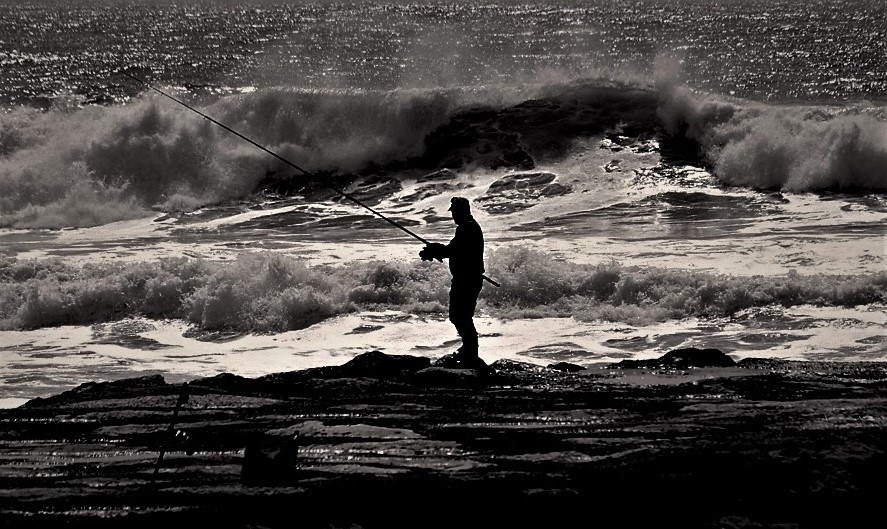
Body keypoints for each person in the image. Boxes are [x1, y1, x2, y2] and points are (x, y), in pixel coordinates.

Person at [419, 197, 485, 364]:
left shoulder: (467, 229)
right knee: (461, 316)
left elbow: (453, 251)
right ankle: (469, 350)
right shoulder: (467, 227)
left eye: (455, 212)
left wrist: (434, 250)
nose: (453, 216)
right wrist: (435, 250)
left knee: (460, 316)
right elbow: (453, 250)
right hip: (468, 278)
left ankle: (470, 352)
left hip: (467, 280)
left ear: (463, 211)